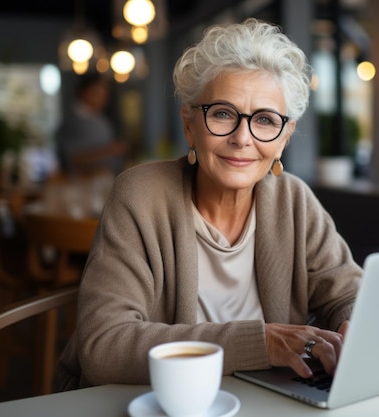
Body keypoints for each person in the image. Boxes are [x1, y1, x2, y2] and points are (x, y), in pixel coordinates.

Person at [57, 18, 362, 389]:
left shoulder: (294, 201)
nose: (242, 138)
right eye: (222, 113)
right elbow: (104, 347)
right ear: (189, 124)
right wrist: (259, 343)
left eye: (265, 120)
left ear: (284, 137)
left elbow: (348, 291)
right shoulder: (140, 195)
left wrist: (355, 323)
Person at [55, 72, 128, 176]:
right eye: (99, 93)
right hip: (83, 185)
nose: (104, 98)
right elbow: (72, 158)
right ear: (85, 92)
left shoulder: (101, 119)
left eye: (105, 94)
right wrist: (109, 150)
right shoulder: (71, 122)